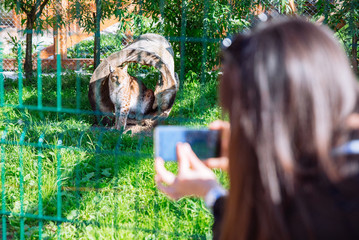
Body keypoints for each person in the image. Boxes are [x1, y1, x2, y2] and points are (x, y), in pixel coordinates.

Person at [154, 17, 359, 240]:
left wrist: (214, 193)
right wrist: (251, 162)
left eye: (240, 114)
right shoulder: (337, 164)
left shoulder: (333, 205)